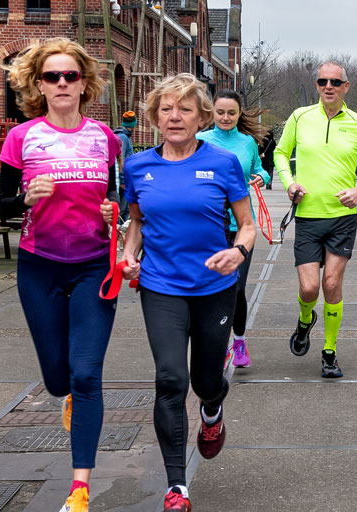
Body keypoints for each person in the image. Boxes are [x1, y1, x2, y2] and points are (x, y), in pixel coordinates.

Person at [0, 38, 121, 512]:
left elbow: (116, 197)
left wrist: (113, 211)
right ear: (38, 85)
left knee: (86, 374)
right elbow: (2, 206)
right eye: (52, 76)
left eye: (71, 75)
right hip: (39, 266)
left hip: (94, 265)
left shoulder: (105, 138)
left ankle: (79, 489)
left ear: (84, 84)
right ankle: (64, 394)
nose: (62, 83)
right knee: (57, 379)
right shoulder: (22, 138)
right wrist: (25, 199)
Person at [118, 73, 256, 512]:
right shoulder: (137, 166)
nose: (174, 116)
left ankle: (212, 411)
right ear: (155, 116)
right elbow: (137, 221)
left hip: (215, 287)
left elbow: (247, 225)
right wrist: (128, 255)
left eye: (185, 109)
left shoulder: (223, 163)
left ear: (201, 118)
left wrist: (237, 251)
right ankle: (177, 486)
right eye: (166, 109)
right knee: (170, 380)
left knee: (206, 382)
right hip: (160, 286)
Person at [272, 61, 357, 379]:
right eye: (323, 81)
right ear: (317, 85)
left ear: (345, 87)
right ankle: (305, 320)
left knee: (332, 284)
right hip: (308, 217)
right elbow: (280, 153)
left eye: (335, 82)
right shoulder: (300, 117)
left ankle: (329, 352)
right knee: (310, 288)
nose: (329, 87)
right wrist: (289, 183)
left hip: (342, 219)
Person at [197, 90, 271, 370]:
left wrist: (261, 176)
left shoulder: (247, 142)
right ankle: (215, 342)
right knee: (212, 288)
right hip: (208, 226)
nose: (225, 118)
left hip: (241, 226)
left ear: (240, 114)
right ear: (212, 113)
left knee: (236, 288)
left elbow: (259, 169)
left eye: (231, 113)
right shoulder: (200, 140)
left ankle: (238, 341)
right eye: (220, 112)